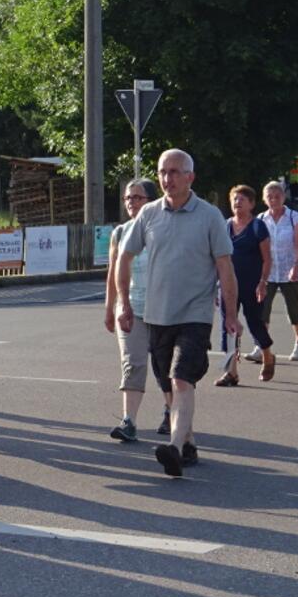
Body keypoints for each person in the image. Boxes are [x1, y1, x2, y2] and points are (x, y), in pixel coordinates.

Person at [118, 149, 238, 478]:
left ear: (190, 177)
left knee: (182, 377)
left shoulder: (210, 216)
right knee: (169, 385)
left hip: (195, 313)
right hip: (156, 314)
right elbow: (124, 258)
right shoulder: (149, 214)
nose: (167, 179)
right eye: (162, 172)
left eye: (174, 172)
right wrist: (124, 304)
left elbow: (225, 266)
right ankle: (188, 443)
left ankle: (173, 447)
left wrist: (230, 312)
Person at [103, 178, 172, 441]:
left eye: (137, 197)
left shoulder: (163, 229)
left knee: (164, 366)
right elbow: (113, 273)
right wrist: (110, 308)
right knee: (132, 363)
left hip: (164, 309)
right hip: (130, 308)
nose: (131, 202)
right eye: (127, 198)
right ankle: (129, 421)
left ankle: (170, 410)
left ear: (151, 201)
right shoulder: (120, 232)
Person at [215, 185, 275, 385]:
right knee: (228, 326)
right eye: (234, 199)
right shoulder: (224, 226)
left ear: (251, 204)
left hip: (252, 285)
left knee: (254, 323)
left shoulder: (258, 227)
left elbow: (267, 259)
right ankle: (231, 372)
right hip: (228, 286)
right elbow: (218, 258)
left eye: (242, 199)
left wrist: (263, 283)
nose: (237, 202)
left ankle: (267, 354)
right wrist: (216, 285)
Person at [251, 182, 298, 362]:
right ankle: (261, 346)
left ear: (283, 197)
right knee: (262, 310)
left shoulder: (293, 217)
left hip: (289, 271)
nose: (273, 200)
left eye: (277, 196)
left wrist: (296, 265)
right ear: (264, 199)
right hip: (268, 272)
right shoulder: (261, 218)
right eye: (270, 196)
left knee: (293, 310)